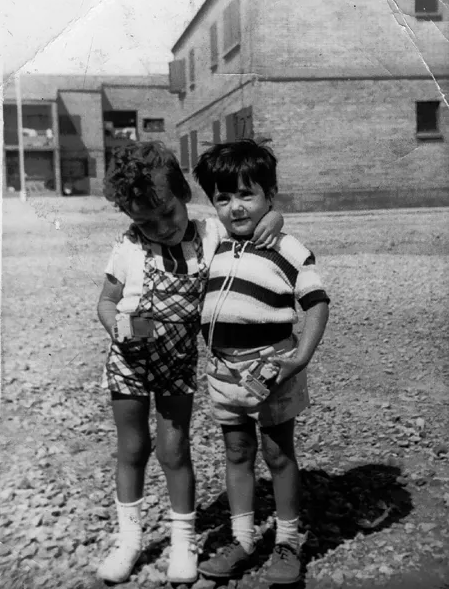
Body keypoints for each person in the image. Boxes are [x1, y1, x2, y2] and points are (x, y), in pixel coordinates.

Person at [96, 141, 284, 585]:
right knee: (133, 448)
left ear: (183, 193)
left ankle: (183, 541)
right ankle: (130, 540)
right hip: (129, 361)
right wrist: (119, 327)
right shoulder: (127, 246)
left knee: (174, 449)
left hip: (177, 364)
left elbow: (253, 227)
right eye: (145, 221)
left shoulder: (209, 234)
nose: (160, 228)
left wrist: (274, 218)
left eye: (167, 213)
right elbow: (106, 301)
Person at [193, 139, 330, 585]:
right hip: (223, 373)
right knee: (236, 452)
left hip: (272, 370)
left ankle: (287, 541)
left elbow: (316, 303)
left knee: (277, 452)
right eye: (223, 197)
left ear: (270, 193)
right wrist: (266, 211)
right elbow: (175, 225)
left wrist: (301, 358)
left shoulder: (289, 248)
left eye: (247, 194)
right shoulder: (211, 240)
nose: (235, 207)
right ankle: (243, 538)